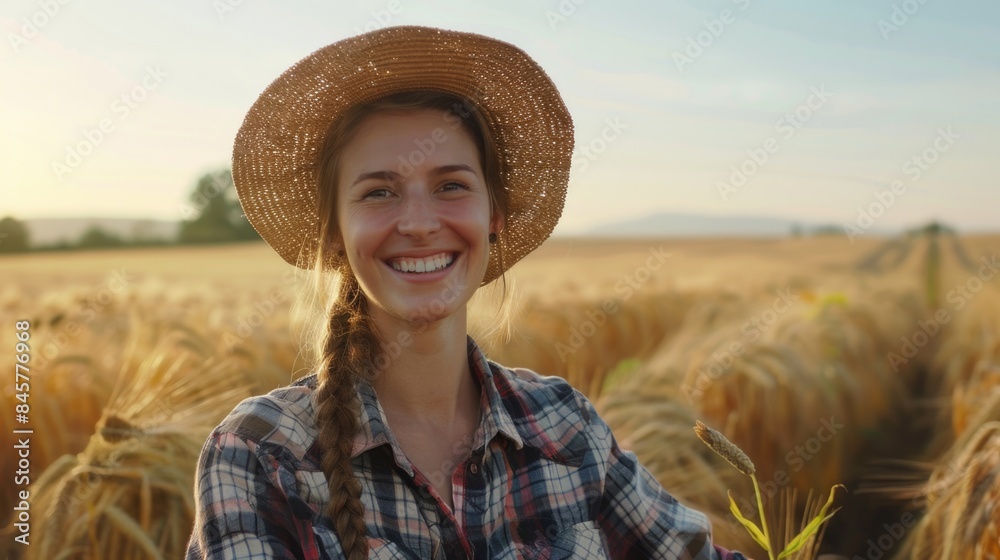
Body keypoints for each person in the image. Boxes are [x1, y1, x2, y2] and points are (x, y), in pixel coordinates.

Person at [185, 26, 747, 560]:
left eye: (451, 186)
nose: (420, 222)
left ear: (493, 213)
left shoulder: (564, 427)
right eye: (379, 192)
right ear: (334, 232)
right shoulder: (260, 455)